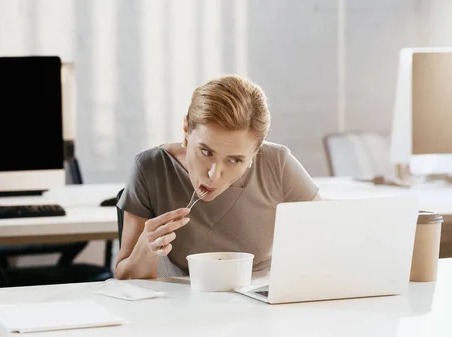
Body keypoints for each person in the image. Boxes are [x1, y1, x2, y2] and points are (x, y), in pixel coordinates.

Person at [115, 74, 322, 280]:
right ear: (186, 130)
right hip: (182, 304)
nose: (214, 174)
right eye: (206, 152)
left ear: (255, 152)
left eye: (234, 160)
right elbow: (125, 278)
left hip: (263, 303)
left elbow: (331, 241)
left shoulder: (277, 164)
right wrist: (146, 248)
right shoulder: (150, 168)